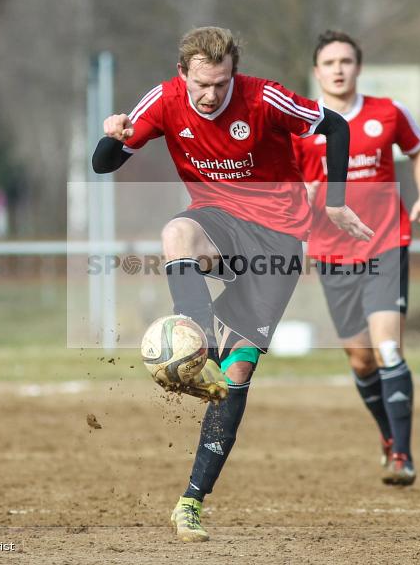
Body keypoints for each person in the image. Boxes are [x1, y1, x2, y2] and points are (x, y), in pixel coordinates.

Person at [92, 26, 371, 542]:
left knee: (236, 376)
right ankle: (198, 348)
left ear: (233, 75)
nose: (211, 95)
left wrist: (333, 200)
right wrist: (112, 135)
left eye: (221, 83)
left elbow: (335, 127)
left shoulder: (264, 98)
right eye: (201, 83)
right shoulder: (164, 101)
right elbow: (102, 165)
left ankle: (191, 502)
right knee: (176, 231)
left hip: (280, 239)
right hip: (217, 221)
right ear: (183, 74)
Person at [293, 30, 420, 486]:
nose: (339, 69)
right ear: (316, 72)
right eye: (330, 62)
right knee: (360, 360)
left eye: (347, 61)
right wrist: (304, 196)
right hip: (332, 253)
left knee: (388, 346)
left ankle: (403, 456)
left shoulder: (387, 112)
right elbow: (283, 187)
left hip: (384, 243)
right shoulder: (298, 125)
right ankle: (387, 436)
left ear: (358, 67)